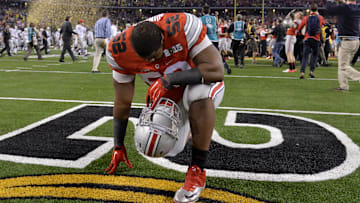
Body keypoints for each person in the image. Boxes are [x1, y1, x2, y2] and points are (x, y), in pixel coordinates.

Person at [105, 13, 225, 203]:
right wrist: (118, 146)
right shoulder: (118, 50)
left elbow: (217, 71)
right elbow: (122, 102)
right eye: (146, 59)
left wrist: (169, 79)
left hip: (204, 83)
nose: (152, 63)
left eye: (154, 56)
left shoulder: (183, 26)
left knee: (197, 95)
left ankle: (197, 173)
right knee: (164, 148)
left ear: (163, 39)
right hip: (172, 99)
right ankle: (196, 130)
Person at [326, 0, 360, 91]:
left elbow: (329, 10)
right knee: (342, 64)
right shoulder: (356, 7)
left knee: (343, 66)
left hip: (347, 41)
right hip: (355, 40)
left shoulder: (345, 8)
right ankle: (343, 86)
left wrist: (330, 1)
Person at [298, 3, 326, 79]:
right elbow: (325, 24)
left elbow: (300, 27)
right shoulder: (320, 17)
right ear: (317, 9)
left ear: (310, 10)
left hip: (307, 38)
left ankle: (302, 72)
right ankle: (311, 71)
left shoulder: (306, 18)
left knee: (305, 56)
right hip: (316, 39)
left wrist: (301, 34)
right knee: (314, 55)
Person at [200, 5, 231, 74]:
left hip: (207, 39)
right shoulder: (213, 18)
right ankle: (226, 66)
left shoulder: (201, 19)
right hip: (215, 39)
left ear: (202, 12)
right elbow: (216, 27)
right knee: (217, 55)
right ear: (209, 11)